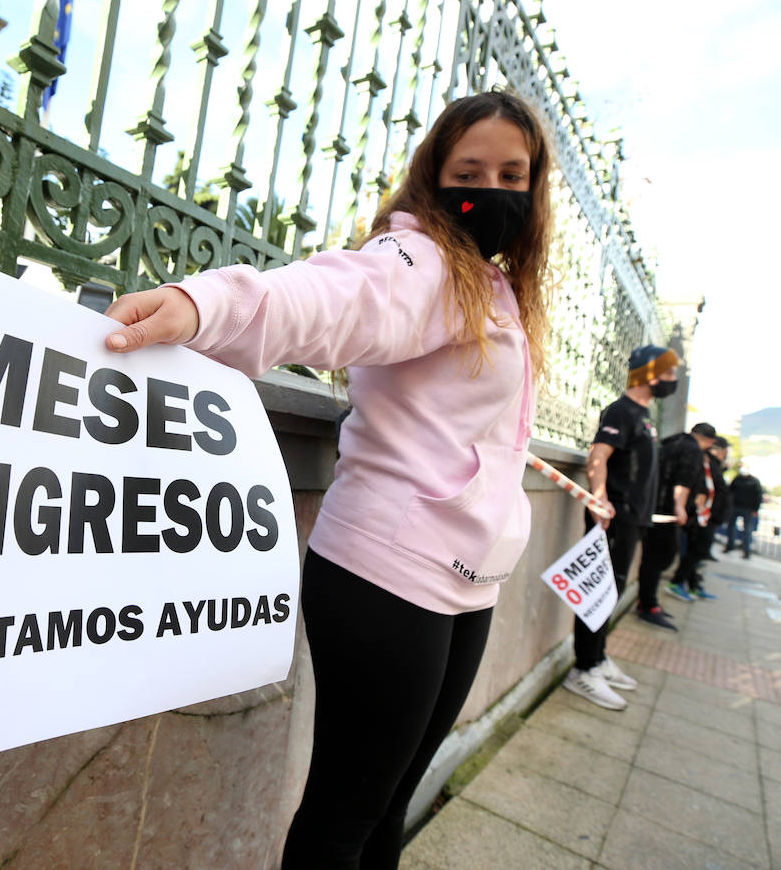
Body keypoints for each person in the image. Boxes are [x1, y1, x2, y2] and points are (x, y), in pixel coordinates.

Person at [104, 90, 552, 870]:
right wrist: (205, 305)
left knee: (388, 805)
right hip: (389, 570)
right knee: (344, 817)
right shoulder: (423, 260)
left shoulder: (496, 287)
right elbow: (337, 295)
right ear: (434, 176)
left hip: (469, 578)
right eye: (471, 169)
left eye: (513, 173)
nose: (494, 189)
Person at [563, 344, 679, 710]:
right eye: (667, 372)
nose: (672, 380)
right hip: (613, 517)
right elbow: (598, 455)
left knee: (610, 593)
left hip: (633, 519)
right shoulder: (622, 410)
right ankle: (583, 669)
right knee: (596, 592)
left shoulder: (645, 416)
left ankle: (598, 658)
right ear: (647, 372)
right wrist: (599, 497)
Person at [639, 421, 716, 629]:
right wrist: (680, 507)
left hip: (651, 506)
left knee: (653, 558)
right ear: (709, 441)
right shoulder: (692, 450)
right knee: (659, 557)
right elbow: (683, 480)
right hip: (666, 513)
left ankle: (648, 601)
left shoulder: (671, 442)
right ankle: (647, 604)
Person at [667, 434, 728, 602]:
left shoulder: (711, 464)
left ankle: (693, 584)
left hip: (708, 516)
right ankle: (678, 582)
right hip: (703, 516)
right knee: (697, 551)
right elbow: (700, 487)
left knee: (697, 553)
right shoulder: (702, 461)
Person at [725, 465, 765, 558]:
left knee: (747, 530)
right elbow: (730, 491)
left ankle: (746, 551)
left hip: (748, 509)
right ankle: (730, 546)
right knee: (731, 527)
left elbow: (758, 496)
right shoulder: (737, 479)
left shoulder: (754, 481)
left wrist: (755, 509)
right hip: (735, 507)